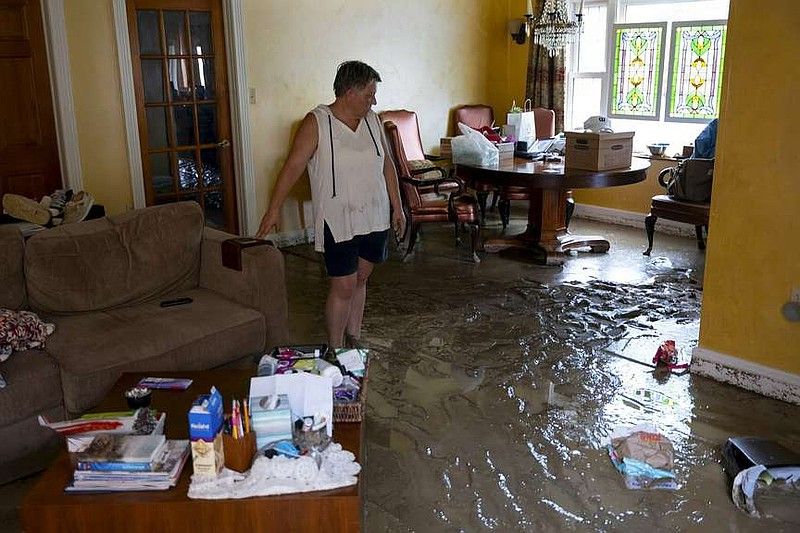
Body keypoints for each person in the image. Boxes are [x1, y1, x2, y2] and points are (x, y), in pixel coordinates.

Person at [256, 61, 405, 349]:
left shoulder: (373, 121)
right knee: (343, 285)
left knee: (361, 279)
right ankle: (335, 347)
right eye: (369, 94)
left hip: (374, 215)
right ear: (349, 92)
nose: (373, 100)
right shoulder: (317, 122)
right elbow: (292, 166)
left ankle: (355, 336)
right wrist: (273, 209)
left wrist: (397, 207)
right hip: (339, 219)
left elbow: (387, 165)